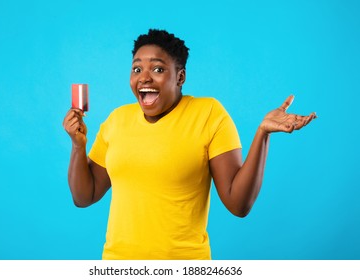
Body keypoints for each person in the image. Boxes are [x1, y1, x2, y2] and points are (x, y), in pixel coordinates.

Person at [62, 29, 317, 260]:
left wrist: (262, 134)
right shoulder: (117, 120)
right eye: (137, 69)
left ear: (180, 76)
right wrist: (77, 145)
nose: (144, 78)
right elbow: (85, 196)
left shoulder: (209, 114)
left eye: (158, 69)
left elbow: (238, 204)